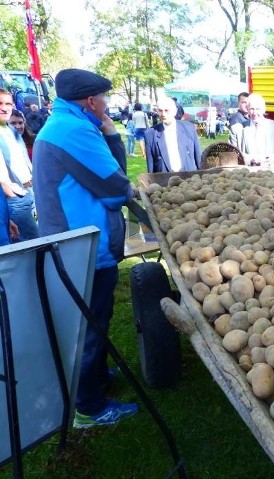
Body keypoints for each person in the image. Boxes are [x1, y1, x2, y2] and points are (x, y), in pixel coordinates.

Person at [32, 68, 138, 428]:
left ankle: (94, 378)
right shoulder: (76, 130)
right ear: (91, 101)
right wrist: (113, 135)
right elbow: (115, 187)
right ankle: (89, 408)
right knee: (89, 326)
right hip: (82, 248)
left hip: (71, 243)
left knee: (92, 321)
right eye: (104, 98)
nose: (107, 105)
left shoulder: (62, 123)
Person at [0, 89, 39, 242]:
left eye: (8, 103)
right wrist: (11, 193)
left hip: (28, 192)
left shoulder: (10, 130)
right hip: (14, 199)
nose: (4, 108)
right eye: (0, 103)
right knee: (35, 245)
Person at [144, 96, 201, 173]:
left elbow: (198, 158)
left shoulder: (189, 128)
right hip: (164, 181)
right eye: (160, 111)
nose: (163, 114)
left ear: (175, 111)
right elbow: (151, 166)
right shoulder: (150, 134)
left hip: (190, 179)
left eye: (166, 110)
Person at [229, 93, 274, 167]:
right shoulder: (237, 130)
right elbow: (232, 153)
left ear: (264, 109)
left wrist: (273, 158)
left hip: (271, 173)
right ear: (247, 109)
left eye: (258, 109)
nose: (255, 113)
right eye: (252, 109)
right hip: (246, 174)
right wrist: (250, 159)